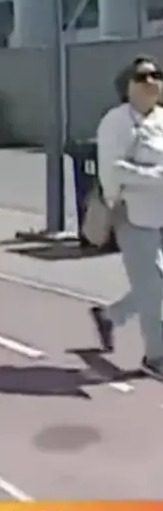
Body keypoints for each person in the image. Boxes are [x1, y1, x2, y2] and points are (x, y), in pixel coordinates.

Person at [91, 55, 163, 380]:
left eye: (156, 75)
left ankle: (110, 316)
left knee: (155, 285)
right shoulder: (116, 122)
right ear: (128, 85)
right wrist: (156, 176)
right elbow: (113, 171)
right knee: (151, 286)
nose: (151, 82)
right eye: (142, 77)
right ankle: (156, 356)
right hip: (133, 216)